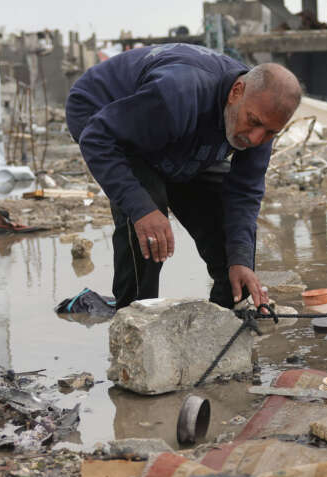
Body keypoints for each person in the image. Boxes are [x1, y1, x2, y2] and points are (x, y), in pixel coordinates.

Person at [65, 44, 301, 309]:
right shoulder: (177, 93)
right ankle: (134, 317)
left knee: (232, 249)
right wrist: (142, 209)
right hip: (105, 114)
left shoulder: (262, 119)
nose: (257, 138)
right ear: (236, 92)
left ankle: (224, 319)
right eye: (253, 122)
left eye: (270, 132)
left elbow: (245, 192)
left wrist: (241, 260)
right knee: (149, 218)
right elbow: (97, 138)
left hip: (180, 132)